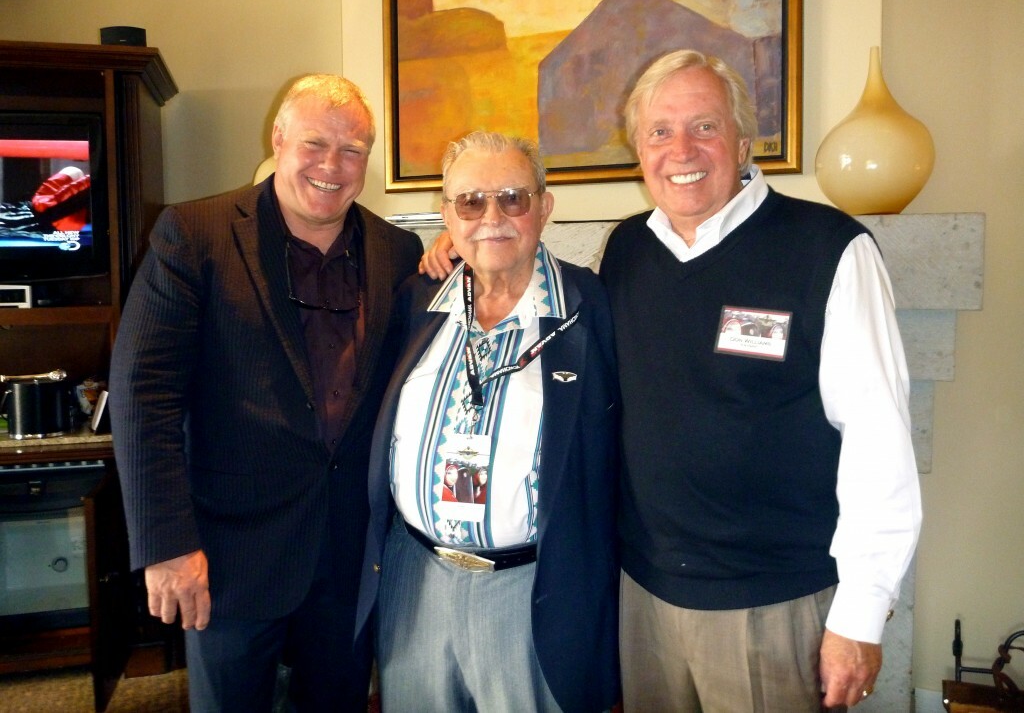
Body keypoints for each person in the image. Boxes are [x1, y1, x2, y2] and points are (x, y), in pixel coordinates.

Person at [419, 50, 922, 712]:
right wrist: (467, 240)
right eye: (659, 131)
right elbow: (529, 278)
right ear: (639, 151)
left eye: (704, 126)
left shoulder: (827, 249)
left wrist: (859, 615)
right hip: (645, 598)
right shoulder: (629, 250)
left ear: (744, 139)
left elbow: (879, 442)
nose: (680, 148)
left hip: (770, 603)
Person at [109, 74, 423, 712]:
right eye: (316, 143)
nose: (333, 166)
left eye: (354, 149)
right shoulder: (193, 234)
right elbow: (144, 392)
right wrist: (167, 543)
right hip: (230, 557)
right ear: (278, 139)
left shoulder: (398, 250)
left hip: (349, 555)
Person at [355, 131, 620, 712]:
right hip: (415, 581)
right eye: (470, 202)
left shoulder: (594, 308)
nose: (491, 217)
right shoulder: (417, 301)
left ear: (544, 207)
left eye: (513, 198)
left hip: (532, 593)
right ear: (447, 215)